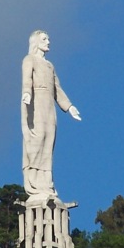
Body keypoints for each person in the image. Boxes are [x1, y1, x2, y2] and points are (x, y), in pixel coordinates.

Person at [21, 30, 80, 200]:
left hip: (49, 105)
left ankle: (46, 182)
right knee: (37, 138)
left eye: (48, 39)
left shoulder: (49, 66)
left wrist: (69, 107)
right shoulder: (29, 59)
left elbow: (57, 89)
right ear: (36, 42)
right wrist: (27, 93)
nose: (48, 42)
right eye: (44, 39)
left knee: (48, 140)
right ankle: (33, 181)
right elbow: (27, 79)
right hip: (35, 101)